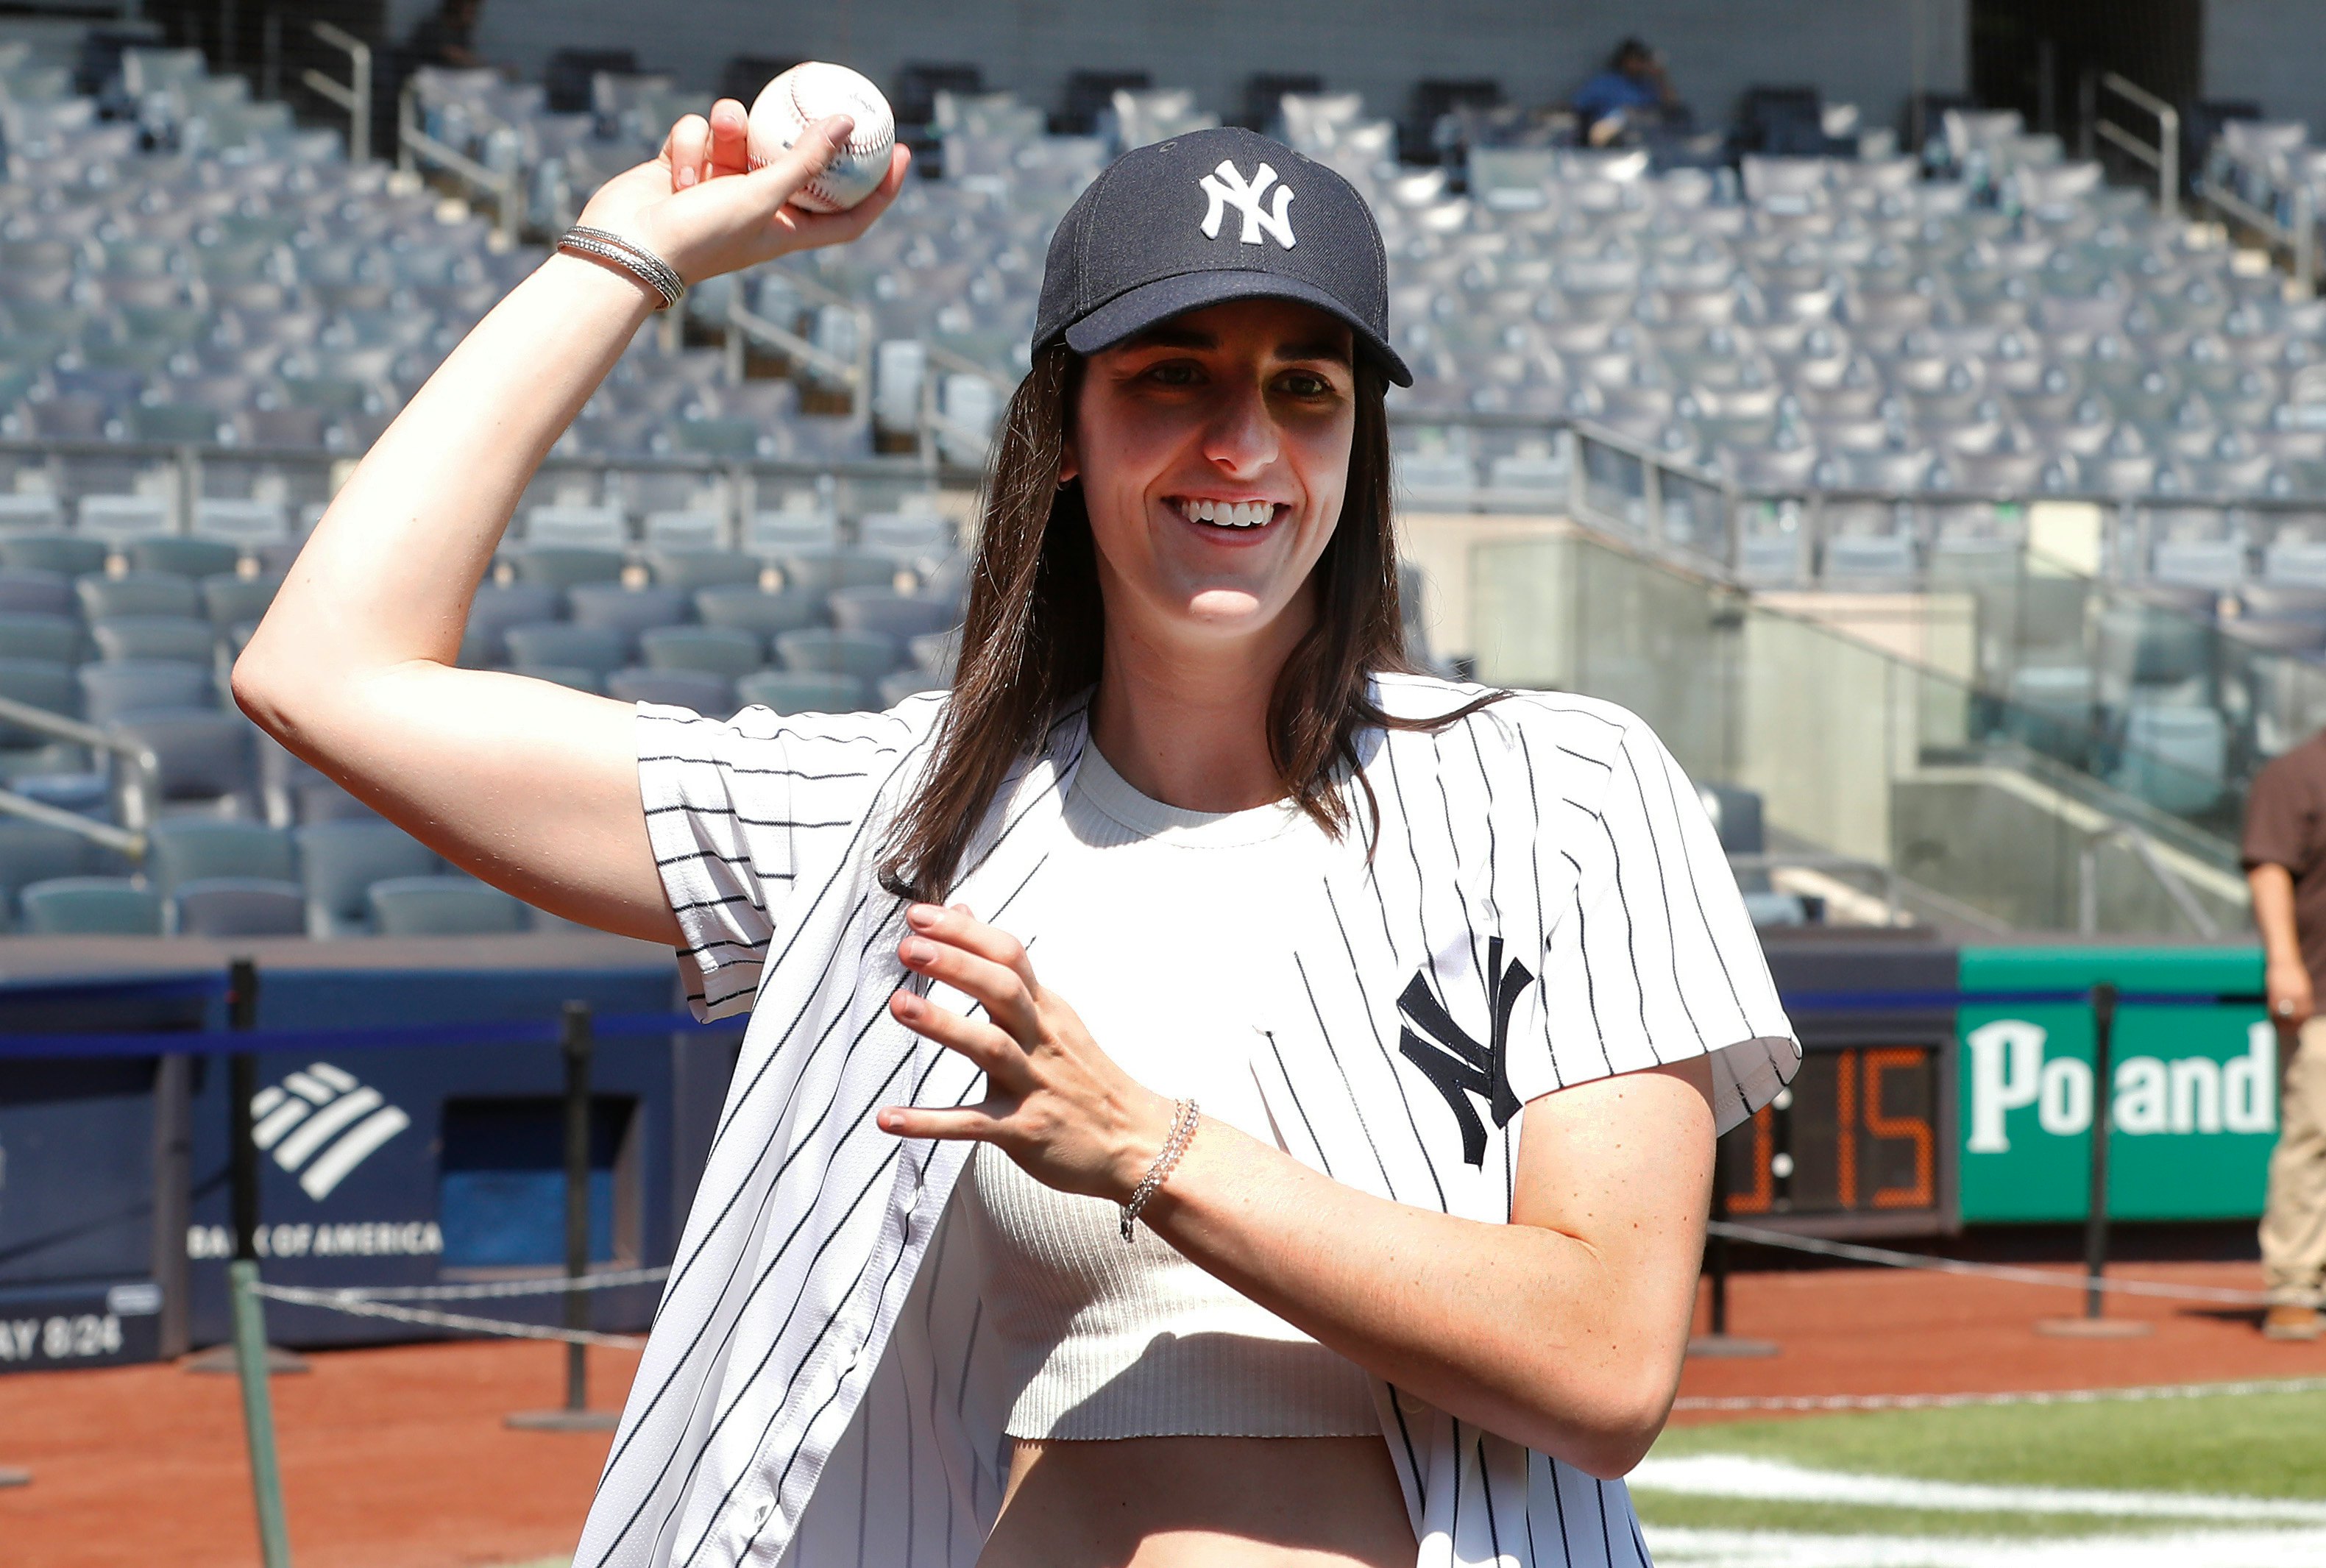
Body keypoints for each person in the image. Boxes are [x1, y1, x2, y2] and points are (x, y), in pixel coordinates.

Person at [235, 108, 1799, 1567]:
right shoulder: (894, 814)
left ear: (1350, 450)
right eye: (1168, 374)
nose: (1238, 442)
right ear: (1064, 430)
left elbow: (1603, 1363)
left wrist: (1147, 1150)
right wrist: (626, 250)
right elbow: (324, 678)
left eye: (1301, 387)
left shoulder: (1562, 789)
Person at [2242, 737, 2326, 1341]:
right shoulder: (2298, 771)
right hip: (2321, 989)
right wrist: (2282, 961)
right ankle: (2294, 1284)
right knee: (2314, 1132)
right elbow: (2269, 866)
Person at [1571, 38, 1681, 145]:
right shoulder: (1605, 82)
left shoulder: (1648, 85)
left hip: (1644, 138)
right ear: (1624, 60)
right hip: (1610, 138)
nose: (1637, 64)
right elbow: (1578, 107)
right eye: (1634, 59)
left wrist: (1660, 77)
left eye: (1641, 60)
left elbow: (1672, 108)